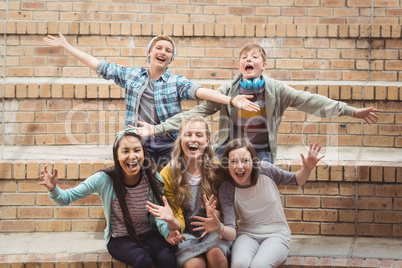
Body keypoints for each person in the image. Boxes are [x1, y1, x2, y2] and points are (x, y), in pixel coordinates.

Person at [135, 43, 381, 163]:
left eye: (254, 57)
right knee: (211, 172)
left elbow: (311, 101)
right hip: (228, 147)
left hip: (261, 150)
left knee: (264, 176)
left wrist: (352, 111)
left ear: (264, 66)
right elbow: (195, 112)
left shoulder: (277, 90)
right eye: (244, 57)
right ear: (239, 66)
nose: (248, 60)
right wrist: (155, 129)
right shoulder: (227, 92)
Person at [43, 34, 259, 167]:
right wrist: (67, 47)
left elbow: (201, 91)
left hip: (167, 141)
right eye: (159, 48)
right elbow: (100, 66)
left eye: (168, 51)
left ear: (170, 59)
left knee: (176, 173)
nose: (163, 52)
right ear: (149, 53)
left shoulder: (175, 82)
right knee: (130, 168)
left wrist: (231, 100)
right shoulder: (133, 75)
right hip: (138, 139)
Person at [38, 129, 185, 268]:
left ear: (144, 153)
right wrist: (53, 189)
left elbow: (158, 217)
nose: (132, 156)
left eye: (137, 150)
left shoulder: (153, 179)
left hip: (148, 234)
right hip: (120, 238)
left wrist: (167, 232)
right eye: (125, 151)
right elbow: (65, 198)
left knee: (167, 258)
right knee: (143, 259)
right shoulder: (104, 179)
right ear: (116, 155)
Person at [191, 138, 325, 268]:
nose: (239, 166)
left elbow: (297, 180)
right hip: (247, 234)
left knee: (259, 265)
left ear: (254, 162)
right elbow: (231, 232)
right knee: (239, 264)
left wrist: (307, 169)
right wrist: (218, 227)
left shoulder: (266, 171)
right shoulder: (227, 188)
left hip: (276, 234)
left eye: (245, 161)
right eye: (233, 161)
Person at [146, 115, 231, 268]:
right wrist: (171, 221)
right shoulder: (168, 174)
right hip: (187, 234)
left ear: (207, 140)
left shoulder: (217, 169)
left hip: (213, 231)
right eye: (188, 134)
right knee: (195, 265)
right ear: (180, 139)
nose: (193, 139)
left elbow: (226, 209)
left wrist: (216, 215)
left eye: (199, 135)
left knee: (216, 255)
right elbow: (177, 219)